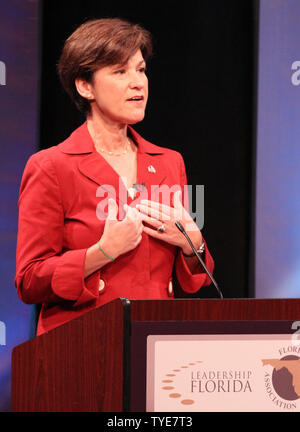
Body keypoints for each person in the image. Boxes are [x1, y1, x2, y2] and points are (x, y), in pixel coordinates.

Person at [15, 18, 214, 336]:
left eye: (141, 69)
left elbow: (192, 280)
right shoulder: (51, 166)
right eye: (121, 72)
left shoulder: (169, 163)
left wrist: (195, 245)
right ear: (85, 86)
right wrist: (103, 251)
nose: (138, 83)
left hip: (157, 344)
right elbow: (29, 281)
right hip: (81, 349)